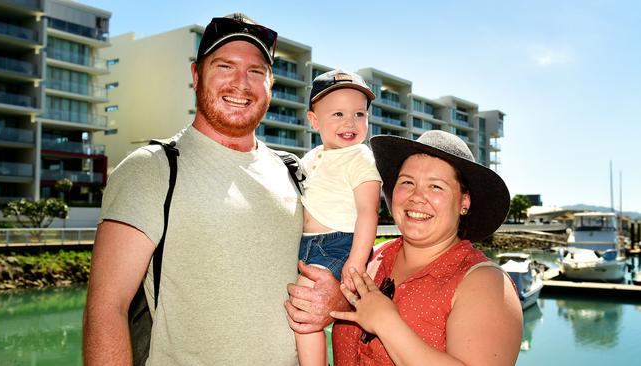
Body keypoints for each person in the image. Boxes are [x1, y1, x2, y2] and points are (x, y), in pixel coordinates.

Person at [83, 14, 343, 365]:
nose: (241, 84)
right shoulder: (152, 168)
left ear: (270, 84)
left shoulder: (293, 172)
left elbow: (334, 269)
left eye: (256, 72)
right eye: (225, 66)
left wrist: (335, 300)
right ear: (196, 75)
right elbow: (105, 309)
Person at [330, 130, 523, 365]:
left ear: (464, 201)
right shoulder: (371, 258)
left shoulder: (486, 282)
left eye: (436, 187)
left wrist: (386, 322)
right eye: (407, 182)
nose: (417, 196)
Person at [294, 70, 382, 365]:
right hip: (306, 245)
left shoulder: (361, 157)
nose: (350, 123)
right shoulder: (311, 157)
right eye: (339, 114)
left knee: (307, 304)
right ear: (314, 121)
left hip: (339, 243)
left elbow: (368, 212)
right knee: (294, 301)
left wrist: (356, 262)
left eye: (359, 114)